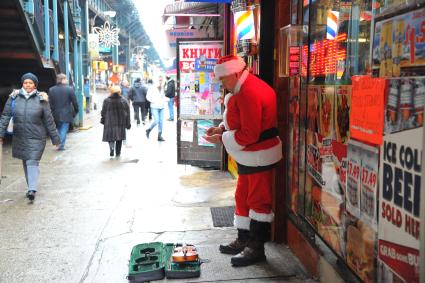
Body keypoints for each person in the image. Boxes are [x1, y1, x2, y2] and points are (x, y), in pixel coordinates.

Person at [203, 55, 282, 267]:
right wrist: (221, 130)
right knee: (243, 196)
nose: (222, 83)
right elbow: (241, 122)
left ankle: (256, 248)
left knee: (257, 200)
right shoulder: (243, 88)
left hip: (259, 154)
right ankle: (245, 239)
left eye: (224, 78)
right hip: (251, 155)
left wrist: (222, 138)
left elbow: (249, 134)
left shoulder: (248, 92)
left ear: (235, 73)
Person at [0, 73, 61, 201]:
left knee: (31, 161)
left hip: (37, 137)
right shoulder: (14, 98)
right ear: (22, 84)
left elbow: (49, 120)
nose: (28, 85)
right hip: (20, 136)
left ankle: (32, 189)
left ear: (35, 85)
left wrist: (55, 138)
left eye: (30, 83)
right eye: (25, 82)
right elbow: (5, 116)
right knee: (26, 162)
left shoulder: (41, 99)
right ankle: (31, 186)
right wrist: (1, 133)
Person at [48, 73, 79, 150]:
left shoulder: (51, 89)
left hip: (55, 114)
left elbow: (50, 103)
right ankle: (60, 145)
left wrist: (51, 113)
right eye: (65, 79)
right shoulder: (69, 89)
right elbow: (74, 102)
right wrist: (76, 111)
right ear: (62, 80)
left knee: (58, 129)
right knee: (64, 130)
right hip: (66, 114)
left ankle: (58, 142)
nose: (67, 80)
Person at [101, 85, 131, 157]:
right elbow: (128, 113)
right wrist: (128, 124)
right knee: (119, 138)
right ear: (119, 92)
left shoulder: (106, 101)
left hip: (109, 122)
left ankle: (111, 148)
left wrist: (103, 120)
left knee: (110, 137)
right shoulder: (124, 101)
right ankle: (118, 152)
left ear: (111, 92)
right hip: (120, 123)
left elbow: (103, 112)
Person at [146, 77, 166, 142]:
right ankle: (149, 129)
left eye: (161, 80)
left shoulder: (163, 87)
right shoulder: (152, 87)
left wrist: (164, 100)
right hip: (154, 107)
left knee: (161, 122)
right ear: (156, 80)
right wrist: (153, 101)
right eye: (159, 80)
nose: (160, 81)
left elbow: (162, 96)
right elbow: (147, 97)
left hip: (161, 107)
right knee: (156, 120)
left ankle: (159, 136)